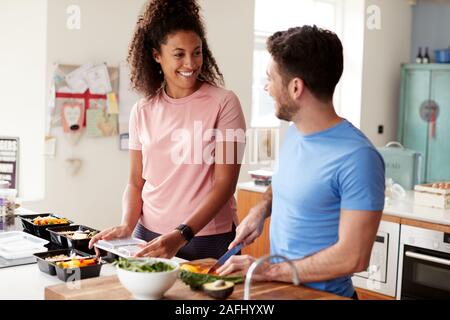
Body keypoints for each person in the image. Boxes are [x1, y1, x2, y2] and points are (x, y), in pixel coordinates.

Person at [217, 26, 385, 299]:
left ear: (296, 87)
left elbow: (354, 257)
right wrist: (261, 209)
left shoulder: (358, 158)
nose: (266, 87)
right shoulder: (296, 131)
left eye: (270, 78)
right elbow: (287, 182)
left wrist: (269, 270)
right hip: (283, 292)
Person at [89, 0, 246, 261]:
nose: (190, 63)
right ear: (156, 55)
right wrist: (126, 225)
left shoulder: (226, 103)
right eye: (179, 54)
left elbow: (225, 184)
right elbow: (135, 181)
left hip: (206, 239)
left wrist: (181, 234)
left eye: (197, 52)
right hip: (146, 235)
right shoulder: (143, 109)